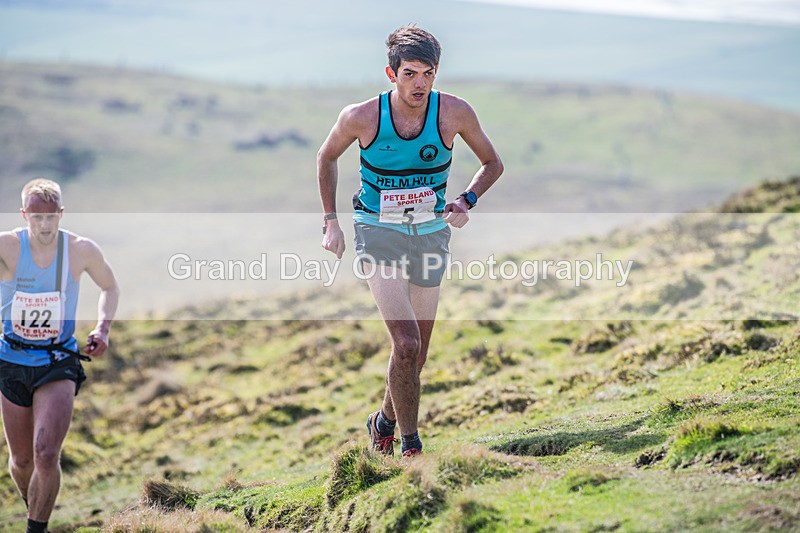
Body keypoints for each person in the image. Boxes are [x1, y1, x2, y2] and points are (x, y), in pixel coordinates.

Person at [317, 25, 503, 458]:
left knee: (415, 357)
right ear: (391, 73)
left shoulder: (454, 113)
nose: (419, 83)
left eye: (428, 74)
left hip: (430, 234)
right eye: (410, 74)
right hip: (378, 231)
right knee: (405, 343)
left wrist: (466, 199)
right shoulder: (361, 117)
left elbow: (492, 163)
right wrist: (331, 221)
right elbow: (326, 156)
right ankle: (411, 447)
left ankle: (382, 421)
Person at [0, 178, 120, 533]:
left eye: (51, 216)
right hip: (12, 361)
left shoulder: (81, 250)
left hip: (58, 361)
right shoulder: (7, 247)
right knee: (22, 461)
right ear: (24, 215)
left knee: (46, 453)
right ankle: (36, 510)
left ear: (61, 214)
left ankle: (36, 528)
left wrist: (103, 329)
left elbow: (110, 286)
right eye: (36, 217)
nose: (44, 224)